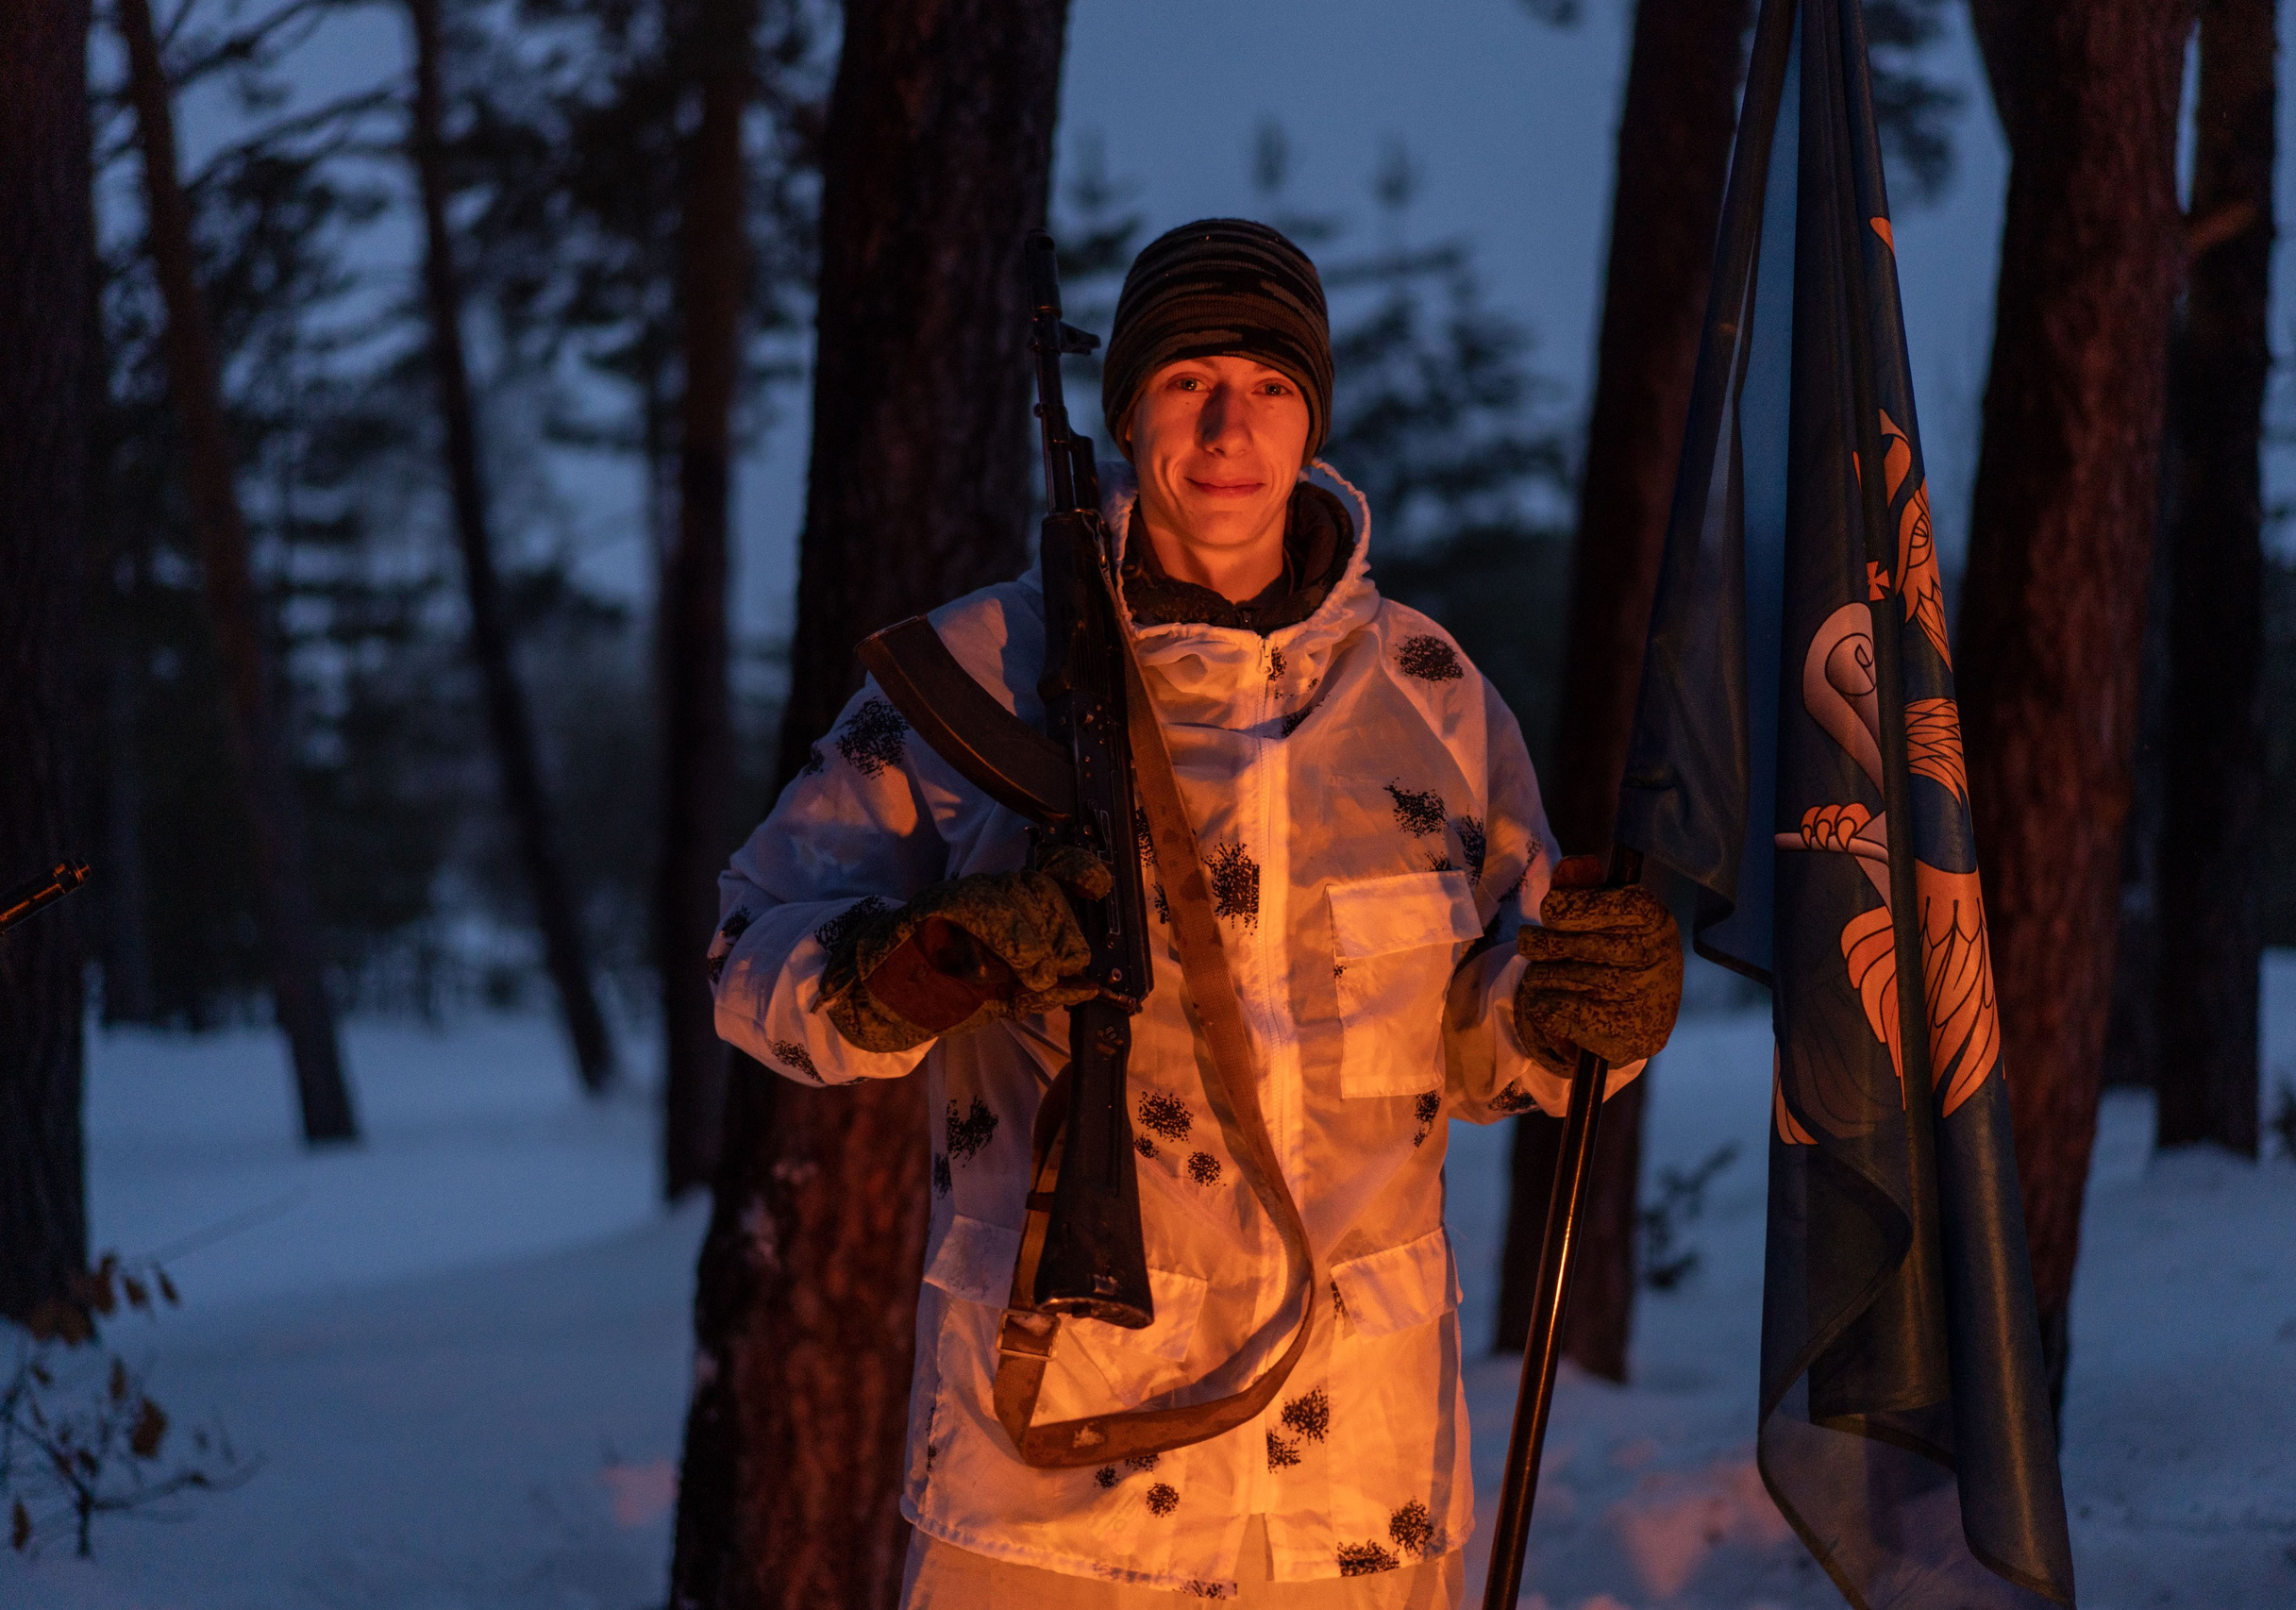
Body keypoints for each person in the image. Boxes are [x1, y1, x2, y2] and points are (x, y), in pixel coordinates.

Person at [709, 219, 1684, 1607]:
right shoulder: (977, 675)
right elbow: (746, 948)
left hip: (1355, 1492)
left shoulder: (1431, 695)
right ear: (1126, 411)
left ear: (1312, 418)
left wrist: (1578, 1009)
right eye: (1188, 380)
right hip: (1053, 1489)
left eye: (1271, 386)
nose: (1231, 427)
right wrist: (914, 968)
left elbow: (1482, 1046)